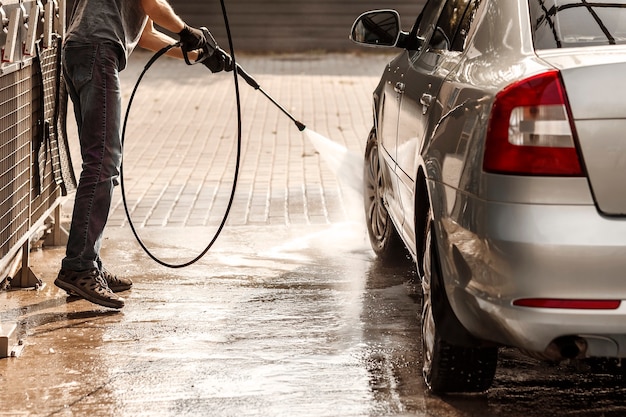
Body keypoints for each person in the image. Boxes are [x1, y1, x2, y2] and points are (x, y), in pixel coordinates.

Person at [54, 0, 229, 309]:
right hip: (98, 52)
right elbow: (154, 4)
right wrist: (186, 30)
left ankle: (87, 261)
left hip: (82, 50)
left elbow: (146, 32)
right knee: (102, 165)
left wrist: (199, 54)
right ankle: (79, 267)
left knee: (99, 164)